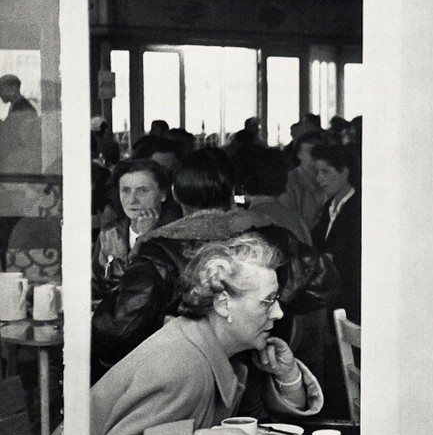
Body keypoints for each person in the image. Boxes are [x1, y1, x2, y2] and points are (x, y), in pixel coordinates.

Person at [91, 148, 340, 382]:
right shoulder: (271, 236)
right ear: (232, 191)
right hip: (259, 373)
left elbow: (118, 328)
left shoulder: (159, 250)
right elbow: (325, 283)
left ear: (175, 194)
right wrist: (262, 310)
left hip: (182, 379)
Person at [86, 234, 324, 435]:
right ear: (223, 304)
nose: (279, 313)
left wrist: (287, 374)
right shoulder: (182, 366)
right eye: (267, 302)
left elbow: (266, 425)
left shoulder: (220, 351)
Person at [91, 158, 177, 299]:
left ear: (163, 194)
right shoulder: (110, 232)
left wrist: (145, 237)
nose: (132, 200)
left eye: (142, 191)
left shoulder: (174, 234)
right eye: (125, 191)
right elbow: (96, 285)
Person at [311, 144, 361, 325]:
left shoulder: (359, 208)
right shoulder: (329, 206)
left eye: (325, 172)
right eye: (317, 172)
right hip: (334, 300)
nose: (319, 179)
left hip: (352, 301)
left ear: (344, 172)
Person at [281, 130, 329, 232]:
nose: (315, 154)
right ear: (299, 154)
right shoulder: (289, 182)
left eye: (319, 150)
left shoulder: (331, 178)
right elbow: (290, 221)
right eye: (309, 151)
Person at [0, 73, 42, 173]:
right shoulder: (17, 106)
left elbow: (12, 134)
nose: (0, 94)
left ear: (13, 88)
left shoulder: (23, 108)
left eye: (1, 90)